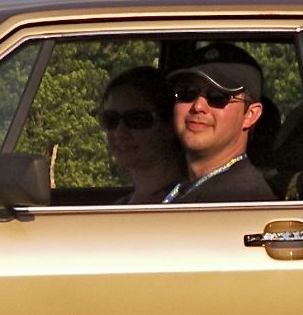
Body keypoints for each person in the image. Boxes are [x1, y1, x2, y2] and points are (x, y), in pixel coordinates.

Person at [162, 43, 276, 203]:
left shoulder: (239, 199)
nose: (198, 106)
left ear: (250, 115)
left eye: (217, 96)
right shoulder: (186, 188)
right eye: (187, 92)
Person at [97, 66, 185, 204]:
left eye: (136, 119)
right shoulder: (120, 206)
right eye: (111, 119)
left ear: (170, 126)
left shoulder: (191, 203)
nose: (120, 133)